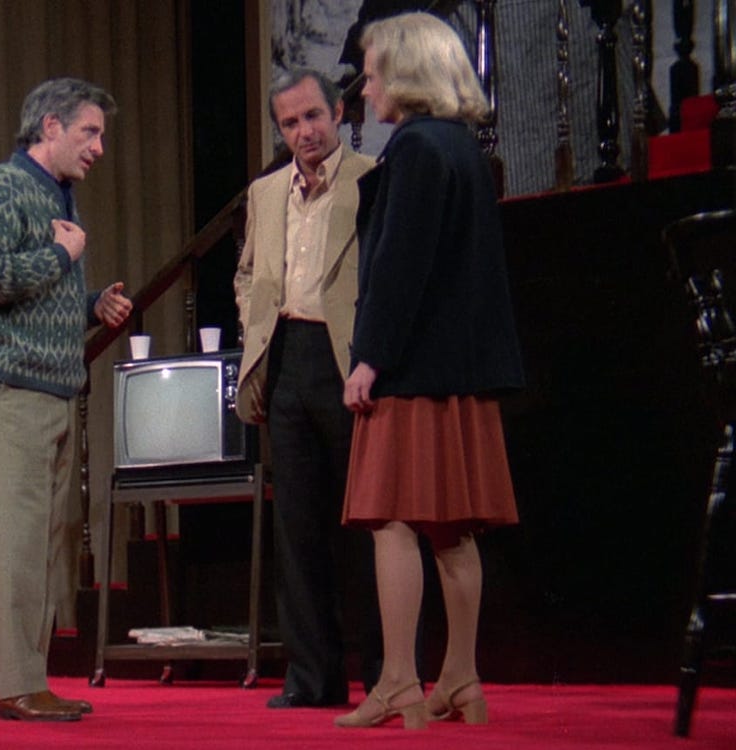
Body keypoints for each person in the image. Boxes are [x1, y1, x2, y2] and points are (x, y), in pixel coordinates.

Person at [333, 13, 524, 730]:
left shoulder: (414, 149)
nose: (367, 84)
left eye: (375, 70)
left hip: (411, 373)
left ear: (407, 73)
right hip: (462, 374)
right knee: (453, 530)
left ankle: (398, 683)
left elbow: (400, 268)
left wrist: (368, 359)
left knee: (392, 521)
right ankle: (462, 680)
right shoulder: (462, 149)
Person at [0, 77, 133, 722]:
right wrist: (61, 254)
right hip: (14, 387)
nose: (99, 148)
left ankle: (23, 680)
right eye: (89, 132)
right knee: (23, 542)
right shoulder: (2, 187)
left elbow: (30, 296)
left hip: (54, 387)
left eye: (103, 136)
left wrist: (91, 307)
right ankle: (15, 684)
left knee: (43, 544)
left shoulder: (55, 195)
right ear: (49, 128)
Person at [234, 68, 382, 709]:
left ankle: (384, 672)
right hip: (287, 357)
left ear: (339, 111)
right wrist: (255, 332)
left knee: (370, 523)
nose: (304, 132)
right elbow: (247, 274)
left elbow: (383, 272)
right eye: (290, 123)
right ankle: (312, 678)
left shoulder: (372, 177)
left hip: (345, 359)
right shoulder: (266, 193)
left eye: (313, 117)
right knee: (296, 527)